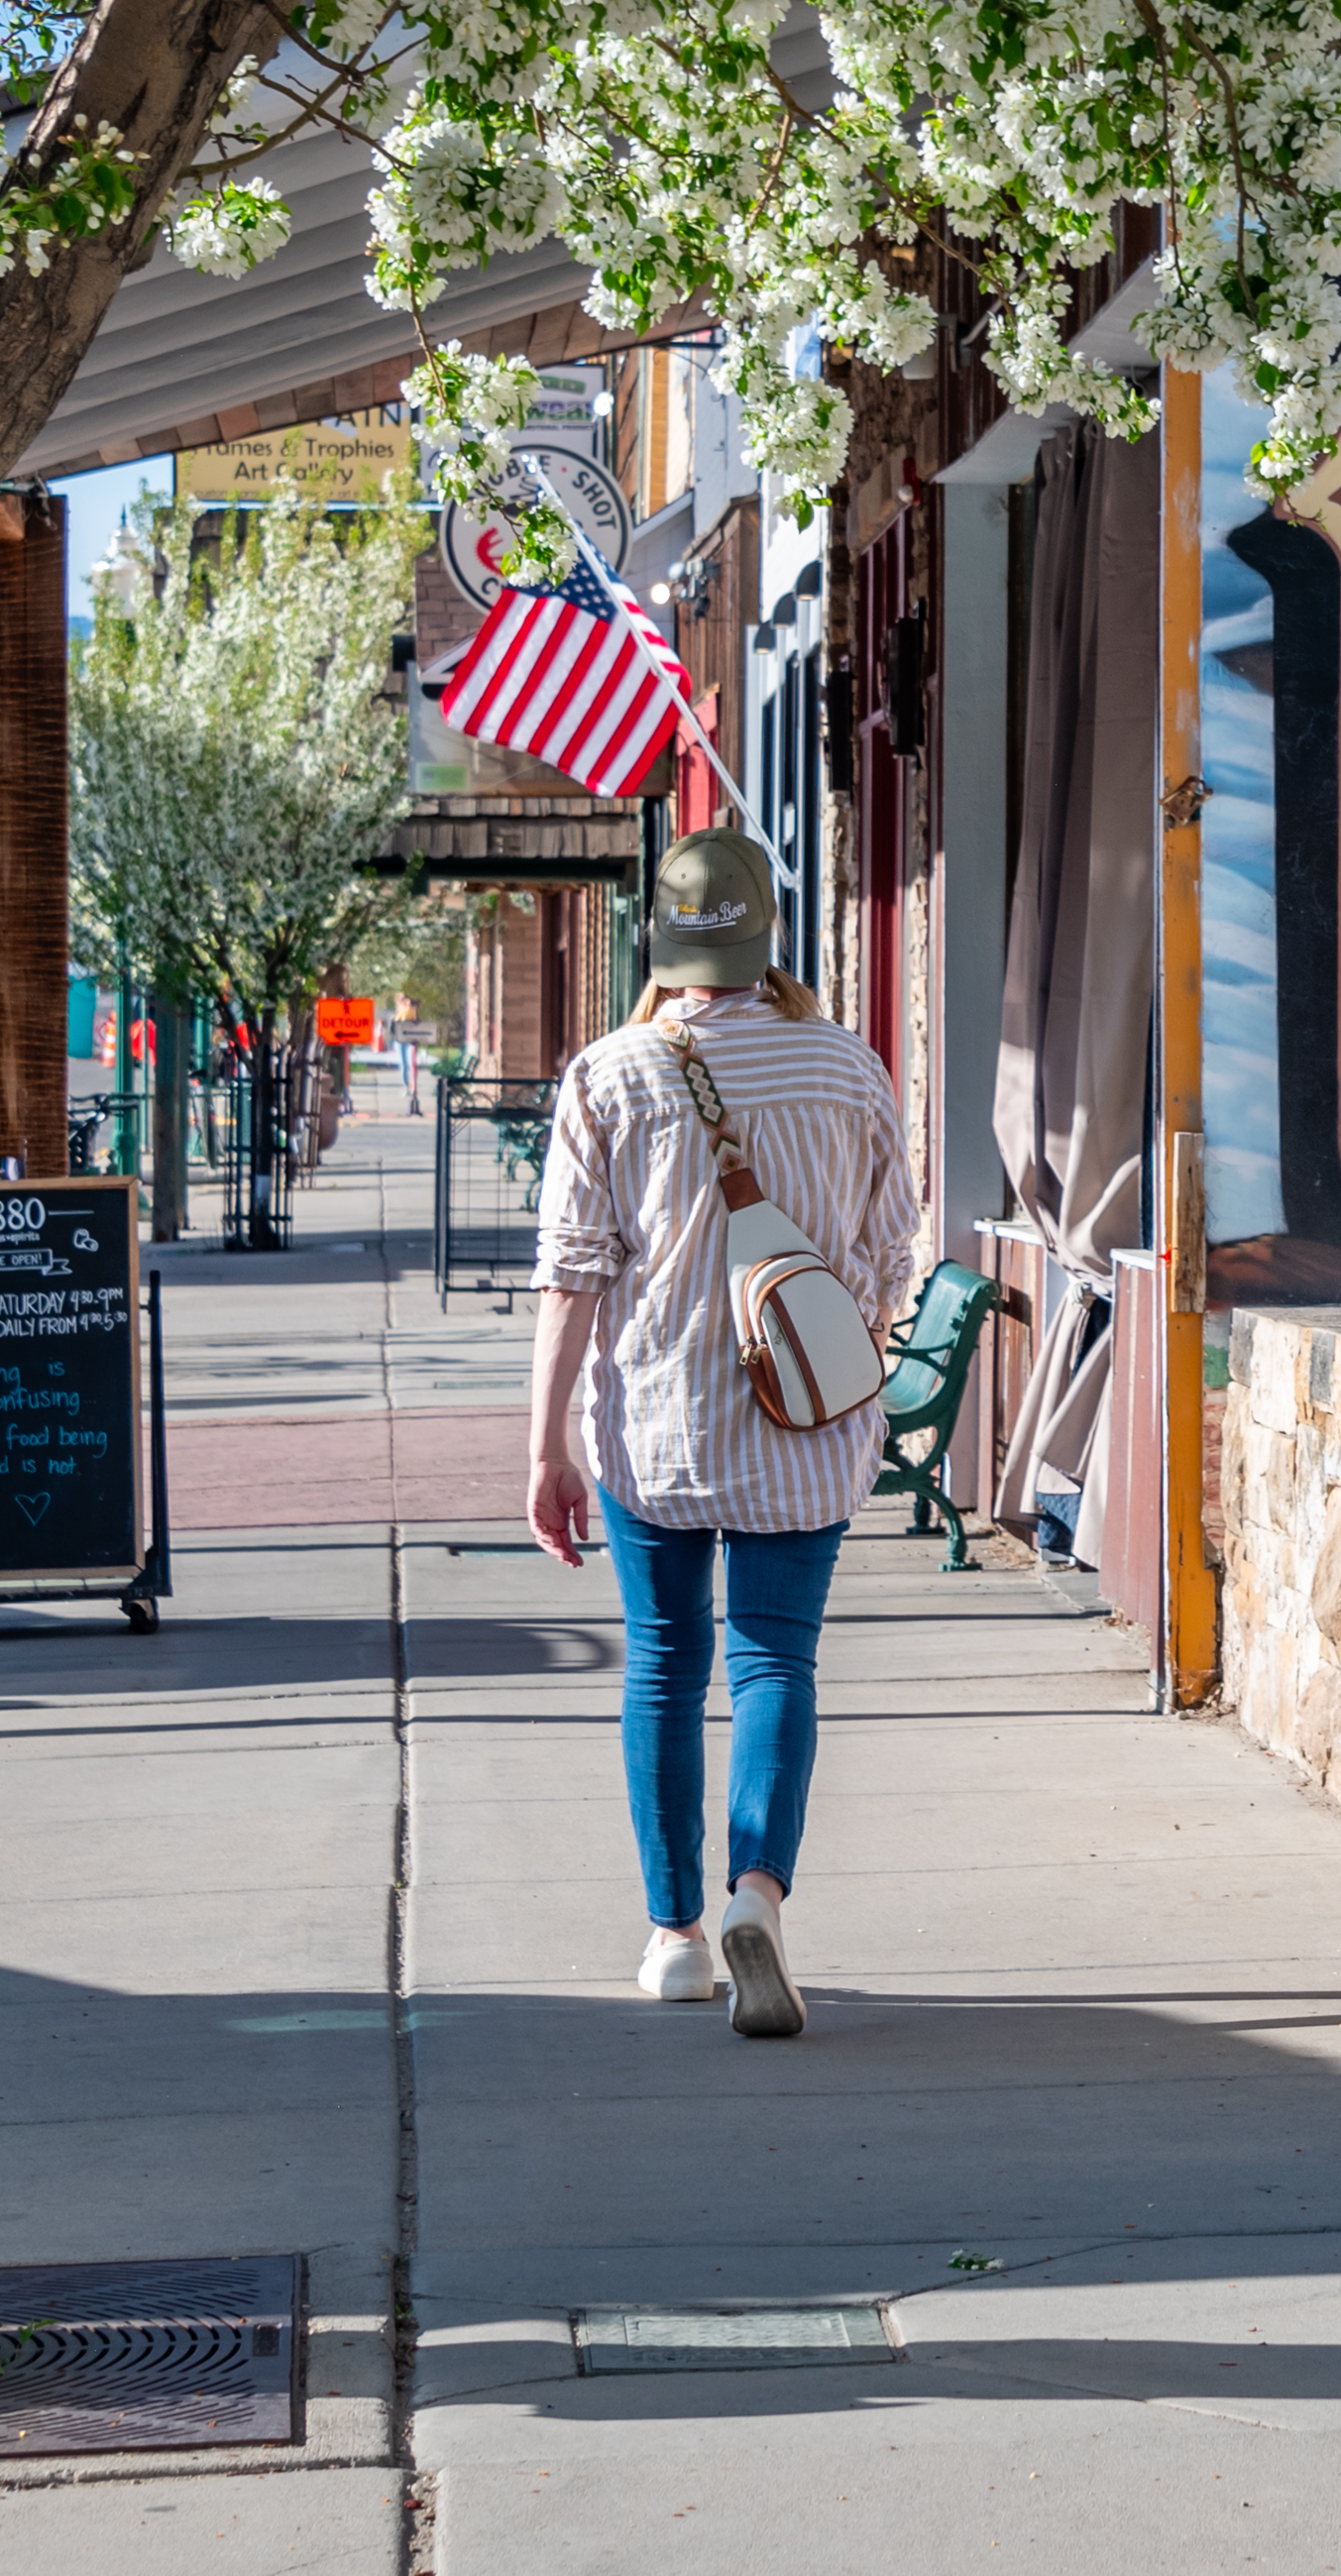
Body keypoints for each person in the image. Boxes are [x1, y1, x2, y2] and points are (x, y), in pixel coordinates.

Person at [521, 826, 915, 2034]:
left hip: (657, 1423)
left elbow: (572, 1273)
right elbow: (893, 1253)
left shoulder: (608, 1072)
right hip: (801, 1421)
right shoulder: (848, 1069)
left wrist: (547, 1445)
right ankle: (758, 1890)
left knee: (663, 1663)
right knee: (773, 1660)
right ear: (765, 938)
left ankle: (674, 1935)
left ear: (662, 940)